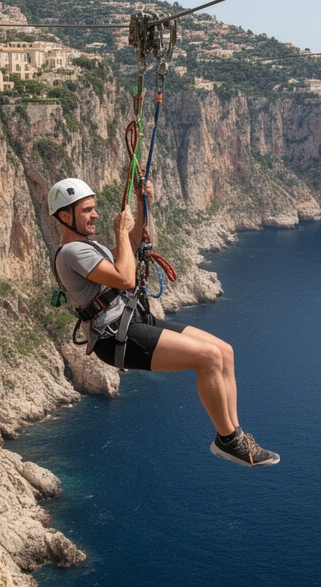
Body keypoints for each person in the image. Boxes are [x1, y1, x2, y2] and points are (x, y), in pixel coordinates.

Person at [49, 176, 280, 467]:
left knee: (224, 351)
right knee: (208, 358)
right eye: (87, 210)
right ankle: (227, 440)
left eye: (93, 208)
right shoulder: (72, 252)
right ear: (65, 216)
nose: (95, 214)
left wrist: (142, 204)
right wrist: (120, 231)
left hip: (131, 320)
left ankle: (235, 435)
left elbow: (129, 253)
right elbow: (125, 277)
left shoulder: (89, 247)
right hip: (113, 336)